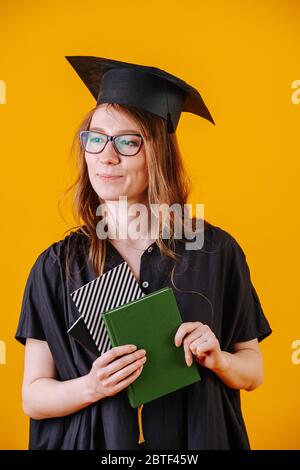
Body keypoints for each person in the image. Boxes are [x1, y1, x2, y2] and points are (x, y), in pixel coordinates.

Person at [15, 56, 272, 450]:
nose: (106, 156)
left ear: (160, 153)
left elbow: (252, 370)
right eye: (95, 137)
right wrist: (93, 386)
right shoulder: (57, 266)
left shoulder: (216, 252)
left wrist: (219, 359)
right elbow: (33, 396)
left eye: (128, 141)